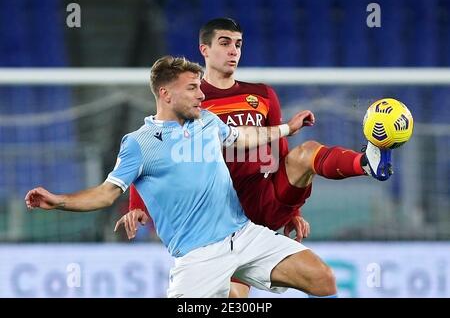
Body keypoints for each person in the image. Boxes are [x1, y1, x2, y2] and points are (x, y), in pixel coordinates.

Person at [120, 18, 393, 297]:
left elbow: (280, 150)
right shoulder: (191, 101)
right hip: (223, 218)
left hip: (266, 194)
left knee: (306, 152)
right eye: (224, 43)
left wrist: (293, 210)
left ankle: (367, 162)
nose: (233, 51)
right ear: (204, 49)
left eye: (238, 45)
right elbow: (154, 150)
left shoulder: (262, 95)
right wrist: (136, 204)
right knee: (235, 296)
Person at [25, 55, 338, 298]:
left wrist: (288, 129)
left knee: (323, 280)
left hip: (244, 235)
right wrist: (59, 200)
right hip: (199, 257)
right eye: (192, 88)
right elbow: (106, 193)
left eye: (200, 87)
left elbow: (243, 137)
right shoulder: (139, 142)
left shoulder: (208, 123)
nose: (201, 95)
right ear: (165, 94)